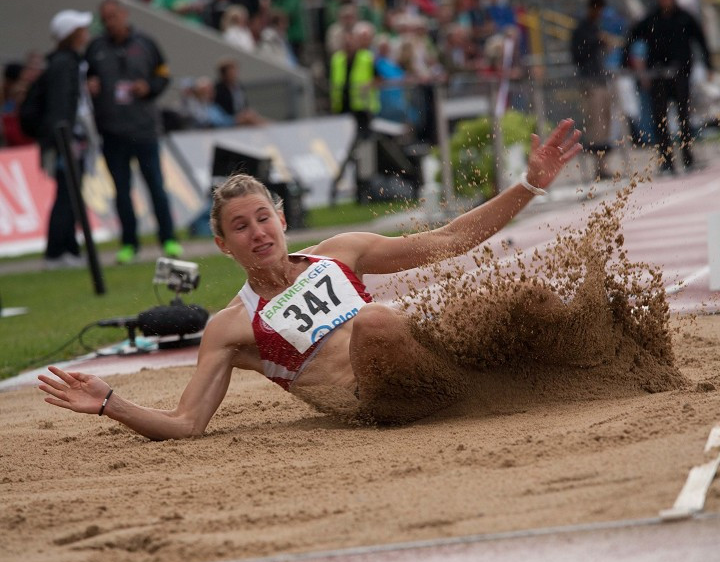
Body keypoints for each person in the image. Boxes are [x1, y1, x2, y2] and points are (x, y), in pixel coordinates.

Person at [38, 120, 582, 437]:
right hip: (372, 402)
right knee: (373, 321)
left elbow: (448, 241)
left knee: (525, 300)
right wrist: (111, 403)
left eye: (262, 218)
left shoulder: (339, 253)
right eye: (240, 228)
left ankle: (572, 366)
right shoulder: (230, 327)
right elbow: (187, 423)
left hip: (426, 367)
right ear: (225, 246)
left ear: (282, 219)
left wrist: (529, 186)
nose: (256, 233)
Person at [85, 0, 182, 263]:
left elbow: (164, 75)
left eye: (113, 16)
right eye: (105, 19)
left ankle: (169, 239)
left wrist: (149, 87)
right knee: (121, 190)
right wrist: (90, 85)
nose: (110, 23)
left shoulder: (146, 43)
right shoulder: (95, 48)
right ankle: (129, 244)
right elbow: (86, 77)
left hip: (144, 128)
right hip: (112, 131)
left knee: (156, 186)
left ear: (124, 15)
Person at [621, 0, 713, 173]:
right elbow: (631, 35)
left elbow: (700, 40)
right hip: (659, 75)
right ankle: (666, 159)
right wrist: (626, 62)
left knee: (684, 117)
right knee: (660, 119)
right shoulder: (651, 19)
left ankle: (687, 156)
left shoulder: (684, 18)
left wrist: (708, 64)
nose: (664, 0)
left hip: (680, 73)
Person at [40, 10, 94, 268]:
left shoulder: (68, 62)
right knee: (66, 195)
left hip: (70, 141)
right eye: (81, 29)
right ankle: (57, 251)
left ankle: (68, 247)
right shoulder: (65, 64)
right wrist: (65, 139)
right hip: (67, 142)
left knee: (70, 194)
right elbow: (62, 106)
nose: (86, 33)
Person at [571, 0, 613, 180]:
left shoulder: (594, 27)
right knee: (595, 124)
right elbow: (577, 54)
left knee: (605, 123)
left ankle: (603, 165)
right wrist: (597, 41)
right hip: (590, 81)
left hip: (600, 79)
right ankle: (598, 166)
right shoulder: (582, 29)